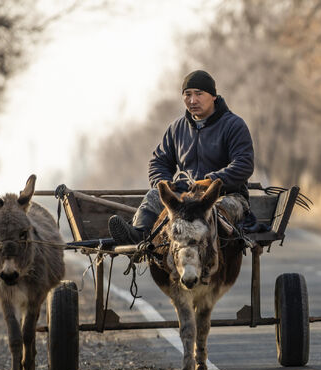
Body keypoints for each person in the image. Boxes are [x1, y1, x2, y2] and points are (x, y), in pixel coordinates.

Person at [108, 70, 254, 245]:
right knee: (154, 196)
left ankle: (216, 254)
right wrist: (164, 182)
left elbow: (244, 163)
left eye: (199, 94)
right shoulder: (176, 128)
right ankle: (137, 237)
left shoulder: (233, 125)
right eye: (187, 94)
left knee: (218, 212)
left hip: (225, 195)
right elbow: (158, 162)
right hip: (185, 196)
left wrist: (211, 181)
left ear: (213, 96)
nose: (192, 100)